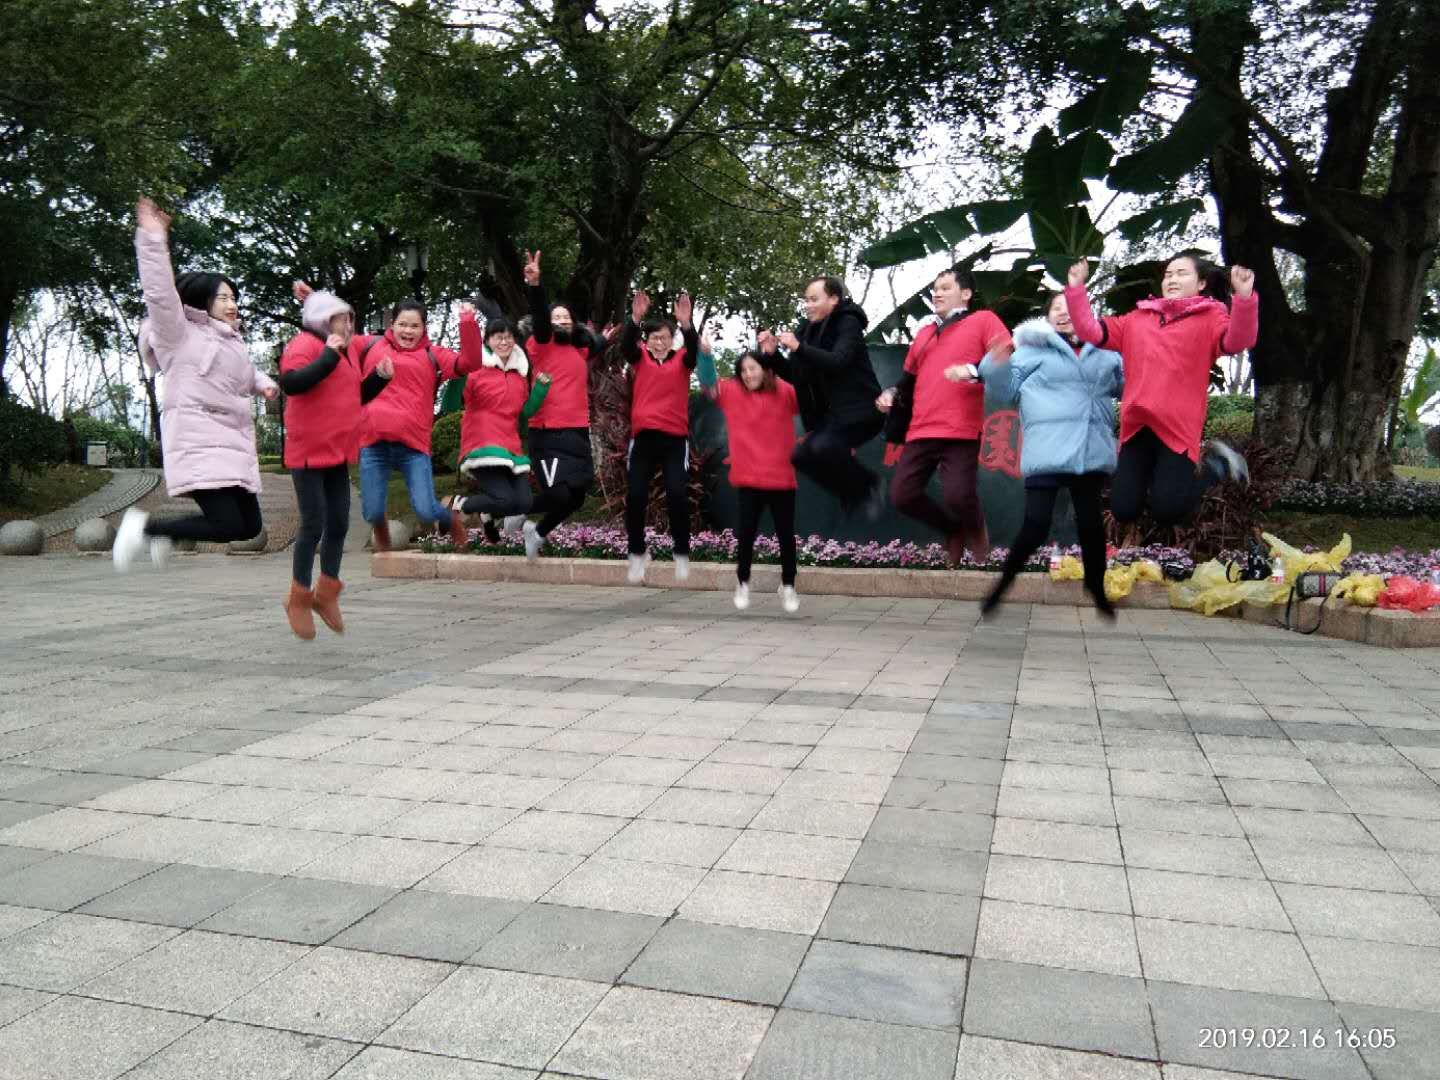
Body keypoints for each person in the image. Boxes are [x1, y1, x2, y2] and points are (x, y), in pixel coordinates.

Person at [114, 198, 279, 571]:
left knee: (249, 527)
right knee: (227, 525)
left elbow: (244, 375)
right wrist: (153, 239)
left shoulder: (232, 341)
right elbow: (159, 293)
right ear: (203, 300)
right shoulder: (178, 334)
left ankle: (166, 533)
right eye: (223, 297)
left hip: (232, 442)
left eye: (234, 297)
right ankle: (145, 528)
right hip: (198, 438)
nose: (232, 304)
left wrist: (264, 384)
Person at [1066, 254, 1258, 527]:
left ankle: (1218, 465)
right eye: (1168, 275)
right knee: (1123, 509)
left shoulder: (1211, 317)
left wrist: (1244, 299)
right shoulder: (1137, 318)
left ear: (1201, 283)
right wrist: (1076, 290)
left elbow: (1239, 340)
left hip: (1177, 428)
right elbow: (1090, 331)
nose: (1172, 279)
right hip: (1137, 425)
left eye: (1181, 273)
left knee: (1168, 511)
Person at [978, 291, 1124, 616]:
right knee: (1035, 525)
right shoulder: (1031, 351)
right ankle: (1002, 586)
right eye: (1057, 308)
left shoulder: (1107, 351)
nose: (1064, 313)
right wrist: (995, 363)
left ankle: (1096, 587)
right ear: (1047, 317)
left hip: (1088, 450)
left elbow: (1126, 386)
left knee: (1091, 525)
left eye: (1071, 307)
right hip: (1047, 449)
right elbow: (1004, 390)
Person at [274, 289, 394, 638]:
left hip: (337, 452)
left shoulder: (347, 351)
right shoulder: (305, 344)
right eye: (343, 319)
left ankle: (326, 593)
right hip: (309, 452)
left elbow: (354, 396)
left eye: (351, 319)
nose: (349, 325)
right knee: (313, 525)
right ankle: (298, 596)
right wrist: (327, 355)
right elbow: (292, 383)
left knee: (340, 522)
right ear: (324, 320)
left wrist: (379, 379)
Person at [876, 267, 1011, 564]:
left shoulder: (983, 320)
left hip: (960, 428)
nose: (937, 293)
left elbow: (1005, 352)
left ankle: (976, 529)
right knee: (902, 495)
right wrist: (891, 393)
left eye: (946, 288)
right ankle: (952, 530)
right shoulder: (925, 334)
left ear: (966, 293)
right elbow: (907, 380)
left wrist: (973, 370)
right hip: (920, 429)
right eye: (935, 289)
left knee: (958, 495)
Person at [350, 298, 482, 551]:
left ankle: (452, 522)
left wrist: (467, 322)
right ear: (392, 324)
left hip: (413, 447)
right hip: (374, 445)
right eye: (402, 324)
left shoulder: (433, 355)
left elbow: (471, 363)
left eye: (414, 326)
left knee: (426, 510)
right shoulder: (369, 345)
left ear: (423, 328)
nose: (408, 331)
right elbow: (336, 342)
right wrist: (314, 303)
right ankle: (382, 535)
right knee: (372, 511)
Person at [760, 276, 883, 518]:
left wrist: (799, 347)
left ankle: (869, 484)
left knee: (824, 446)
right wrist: (773, 355)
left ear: (834, 299)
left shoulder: (848, 322)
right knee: (800, 457)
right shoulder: (806, 331)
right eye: (806, 300)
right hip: (833, 416)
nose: (808, 305)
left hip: (862, 410)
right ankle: (854, 493)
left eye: (814, 299)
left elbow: (838, 361)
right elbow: (797, 376)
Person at [697, 337, 802, 613]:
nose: (748, 374)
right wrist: (705, 356)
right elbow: (708, 386)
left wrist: (785, 353)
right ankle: (743, 582)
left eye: (753, 368)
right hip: (749, 479)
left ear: (765, 369)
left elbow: (807, 396)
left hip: (781, 479)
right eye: (743, 370)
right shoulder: (732, 391)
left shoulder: (784, 390)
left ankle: (788, 585)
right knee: (746, 534)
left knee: (786, 536)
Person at [518, 250, 608, 560]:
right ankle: (512, 508)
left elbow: (597, 343)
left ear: (573, 324)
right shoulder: (540, 344)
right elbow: (541, 319)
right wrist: (535, 285)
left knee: (577, 497)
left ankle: (538, 532)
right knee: (557, 493)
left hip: (577, 432)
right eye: (555, 317)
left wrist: (626, 326)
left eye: (565, 318)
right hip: (548, 433)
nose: (560, 321)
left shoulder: (579, 350)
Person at [445, 303, 550, 528]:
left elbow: (524, 413)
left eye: (509, 337)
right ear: (487, 341)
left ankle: (487, 515)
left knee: (524, 503)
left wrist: (540, 390)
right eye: (498, 337)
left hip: (510, 446)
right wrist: (458, 374)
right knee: (505, 500)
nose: (504, 342)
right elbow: (452, 404)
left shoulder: (519, 376)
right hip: (482, 443)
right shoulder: (475, 370)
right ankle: (460, 504)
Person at [621, 289, 699, 584]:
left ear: (671, 339)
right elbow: (626, 345)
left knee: (677, 495)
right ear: (647, 340)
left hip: (674, 441)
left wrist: (687, 325)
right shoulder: (639, 358)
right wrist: (635, 318)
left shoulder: (682, 360)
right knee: (636, 496)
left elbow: (693, 350)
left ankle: (681, 552)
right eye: (654, 337)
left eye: (665, 337)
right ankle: (636, 553)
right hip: (643, 440)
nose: (659, 342)